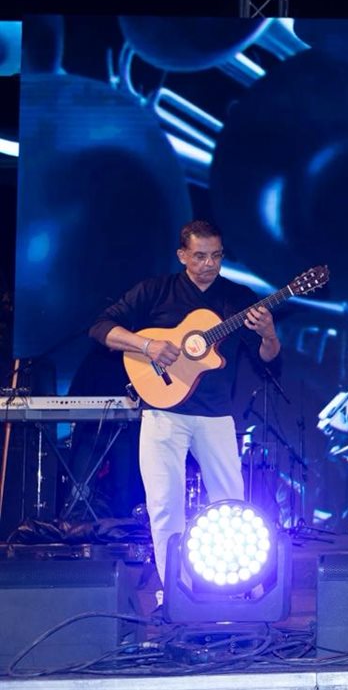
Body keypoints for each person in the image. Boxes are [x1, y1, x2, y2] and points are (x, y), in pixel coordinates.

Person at [89, 220, 280, 594]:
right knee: (164, 504)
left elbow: (268, 359)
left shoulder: (239, 298)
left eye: (216, 256)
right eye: (200, 256)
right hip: (162, 412)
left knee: (231, 503)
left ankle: (240, 586)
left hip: (216, 415)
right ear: (182, 255)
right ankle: (175, 590)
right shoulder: (155, 291)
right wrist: (147, 346)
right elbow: (100, 328)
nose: (209, 264)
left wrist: (269, 333)